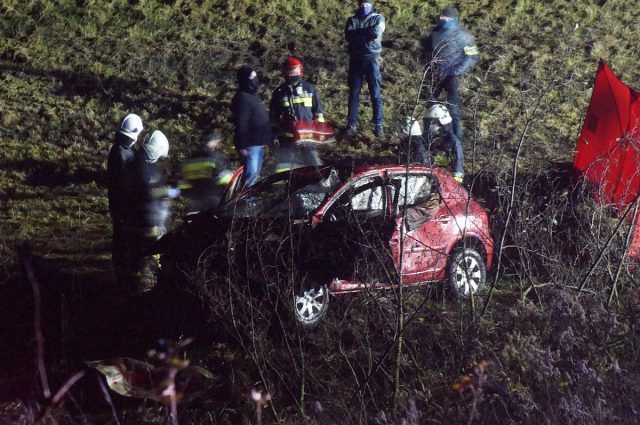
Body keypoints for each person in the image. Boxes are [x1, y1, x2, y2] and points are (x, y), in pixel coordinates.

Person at [128, 130, 179, 292]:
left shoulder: (144, 164)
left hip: (148, 217)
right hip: (147, 218)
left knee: (148, 249)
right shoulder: (143, 167)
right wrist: (167, 193)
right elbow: (148, 192)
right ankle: (143, 286)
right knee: (148, 250)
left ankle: (143, 282)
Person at [422, 6, 479, 148]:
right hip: (435, 74)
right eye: (442, 18)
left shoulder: (464, 35)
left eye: (447, 18)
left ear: (454, 19)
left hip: (452, 76)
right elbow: (428, 50)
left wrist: (457, 70)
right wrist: (428, 66)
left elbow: (472, 56)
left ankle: (456, 140)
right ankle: (427, 136)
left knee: (453, 108)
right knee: (430, 105)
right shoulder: (435, 32)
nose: (443, 20)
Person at [270, 57, 324, 172]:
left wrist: (320, 131)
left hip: (307, 135)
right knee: (287, 166)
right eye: (291, 71)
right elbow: (273, 117)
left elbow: (318, 112)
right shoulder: (280, 92)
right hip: (288, 136)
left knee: (314, 163)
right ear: (285, 72)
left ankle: (324, 184)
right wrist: (275, 135)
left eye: (296, 70)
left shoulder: (310, 89)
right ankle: (290, 188)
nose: (294, 73)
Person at [107, 113, 143, 286]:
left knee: (122, 240)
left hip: (120, 206)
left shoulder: (121, 151)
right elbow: (123, 185)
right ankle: (124, 276)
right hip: (123, 207)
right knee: (123, 241)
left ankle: (124, 274)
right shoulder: (121, 155)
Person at [344, 0, 386, 139]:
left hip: (372, 59)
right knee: (353, 94)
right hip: (355, 60)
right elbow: (348, 35)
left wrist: (358, 35)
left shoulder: (378, 18)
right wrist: (364, 35)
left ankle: (378, 125)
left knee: (375, 93)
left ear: (371, 5)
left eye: (367, 4)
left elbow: (376, 34)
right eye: (362, 5)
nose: (364, 7)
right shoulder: (352, 19)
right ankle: (351, 124)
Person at [231, 65, 272, 187]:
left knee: (255, 176)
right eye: (252, 76)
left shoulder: (253, 96)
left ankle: (251, 199)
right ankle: (247, 202)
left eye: (255, 76)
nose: (255, 79)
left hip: (257, 143)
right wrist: (242, 145)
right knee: (251, 177)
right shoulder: (242, 97)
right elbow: (241, 122)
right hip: (250, 144)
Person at [179, 130, 233, 214]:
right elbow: (226, 179)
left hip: (196, 201)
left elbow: (183, 184)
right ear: (213, 142)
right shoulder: (217, 157)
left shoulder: (190, 160)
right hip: (215, 199)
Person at [424, 103, 464, 182]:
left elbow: (458, 172)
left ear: (442, 121)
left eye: (433, 121)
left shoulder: (453, 142)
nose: (430, 124)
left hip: (445, 183)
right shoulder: (427, 140)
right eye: (428, 121)